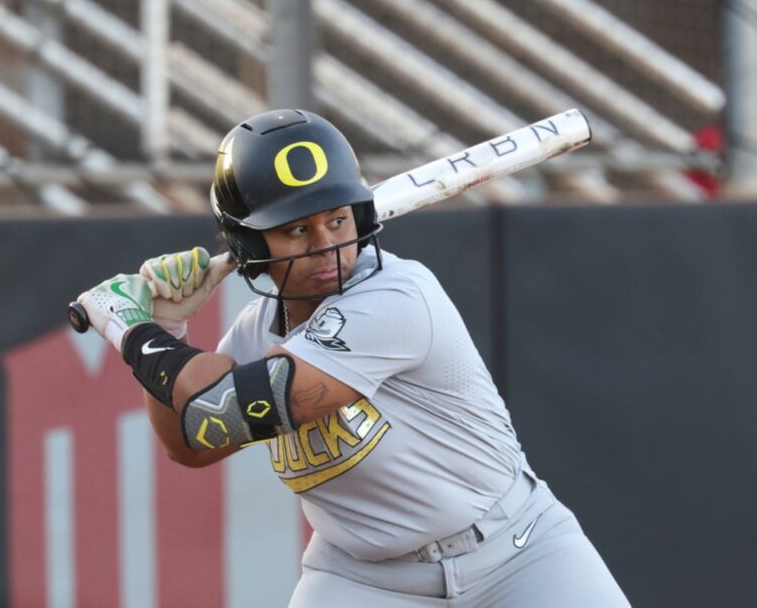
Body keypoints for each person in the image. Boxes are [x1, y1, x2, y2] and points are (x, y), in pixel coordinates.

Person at [77, 109, 630, 606]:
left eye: (337, 220)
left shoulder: (398, 297)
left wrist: (133, 329)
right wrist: (171, 325)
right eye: (297, 229)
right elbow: (190, 443)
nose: (327, 247)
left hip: (517, 554)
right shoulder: (254, 332)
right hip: (364, 581)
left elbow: (220, 406)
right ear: (248, 246)